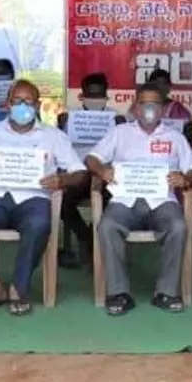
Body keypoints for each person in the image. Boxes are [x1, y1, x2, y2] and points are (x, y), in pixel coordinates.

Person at [0, 80, 87, 316]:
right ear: (7, 104)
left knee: (39, 224)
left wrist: (62, 181)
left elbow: (81, 173)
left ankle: (18, 289)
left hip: (33, 198)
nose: (22, 106)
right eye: (17, 101)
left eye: (29, 102)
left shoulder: (53, 136)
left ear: (38, 105)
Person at [87, 83, 192, 316]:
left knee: (178, 226)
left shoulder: (175, 137)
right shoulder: (120, 133)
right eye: (144, 103)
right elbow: (92, 158)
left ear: (162, 109)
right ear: (135, 108)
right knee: (107, 225)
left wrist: (184, 178)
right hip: (124, 200)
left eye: (155, 104)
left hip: (162, 201)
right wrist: (102, 172)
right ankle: (118, 292)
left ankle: (166, 292)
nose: (149, 108)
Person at [55, 72, 125, 269]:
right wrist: (61, 127)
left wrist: (123, 128)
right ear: (82, 95)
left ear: (106, 95)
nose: (95, 99)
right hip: (79, 173)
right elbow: (58, 146)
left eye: (99, 95)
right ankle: (86, 237)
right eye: (91, 95)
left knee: (111, 203)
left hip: (106, 174)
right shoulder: (70, 117)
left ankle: (99, 242)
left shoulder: (117, 119)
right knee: (62, 202)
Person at [146, 68, 192, 144]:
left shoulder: (178, 110)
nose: (160, 87)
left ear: (169, 87)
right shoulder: (139, 109)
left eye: (164, 84)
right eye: (156, 84)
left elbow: (188, 138)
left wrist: (188, 133)